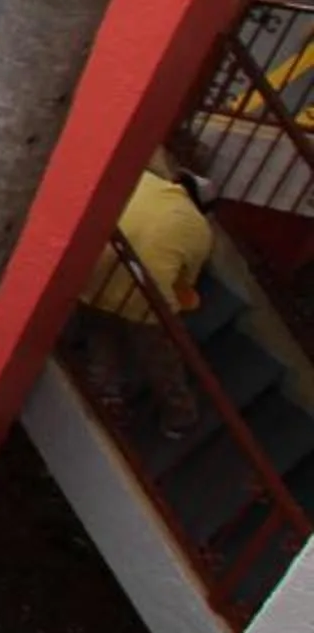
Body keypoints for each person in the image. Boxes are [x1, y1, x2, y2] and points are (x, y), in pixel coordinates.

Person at [73, 159, 214, 438]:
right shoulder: (200, 230)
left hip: (96, 275)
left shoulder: (144, 182)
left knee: (100, 331)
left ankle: (108, 393)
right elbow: (184, 283)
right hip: (145, 300)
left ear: (176, 182)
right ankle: (179, 416)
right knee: (160, 357)